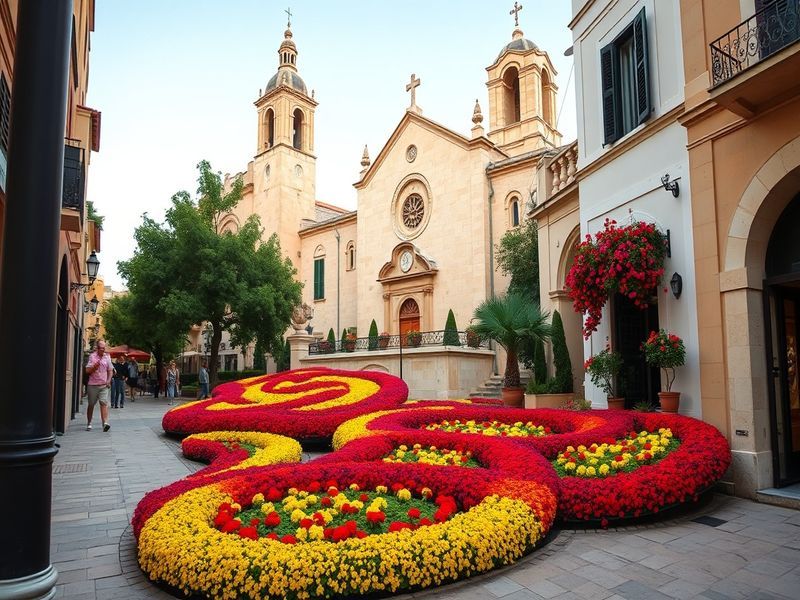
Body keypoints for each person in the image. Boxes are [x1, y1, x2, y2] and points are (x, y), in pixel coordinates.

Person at [85, 340, 113, 431]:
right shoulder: (92, 357)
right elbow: (87, 371)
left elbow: (110, 370)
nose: (103, 350)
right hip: (93, 385)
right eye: (102, 348)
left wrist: (108, 380)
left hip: (104, 385)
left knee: (103, 402)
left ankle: (105, 423)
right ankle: (89, 422)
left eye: (104, 348)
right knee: (91, 404)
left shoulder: (107, 357)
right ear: (97, 348)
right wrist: (94, 367)